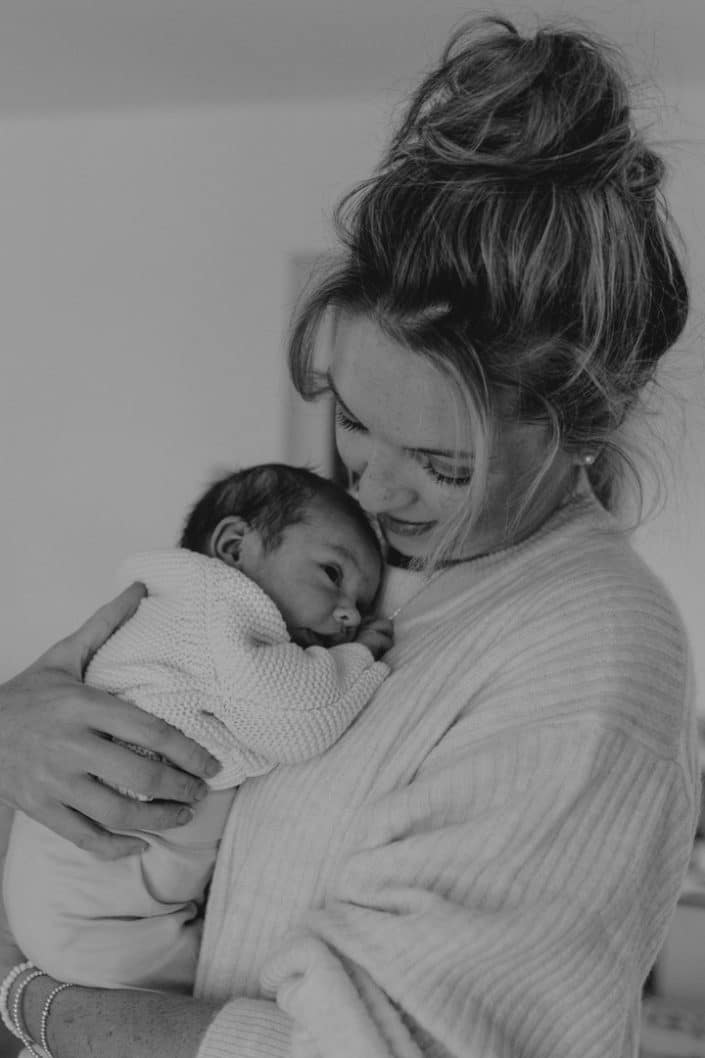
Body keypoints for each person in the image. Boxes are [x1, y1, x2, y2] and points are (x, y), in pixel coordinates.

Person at [0, 15, 700, 1058]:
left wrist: (28, 999)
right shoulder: (368, 559)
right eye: (354, 419)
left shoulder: (589, 655)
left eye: (440, 463)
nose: (371, 485)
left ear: (583, 424)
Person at [2, 463, 391, 995]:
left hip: (66, 905)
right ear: (234, 547)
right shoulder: (212, 618)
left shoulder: (179, 613)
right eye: (332, 574)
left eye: (361, 607)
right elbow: (300, 717)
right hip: (98, 925)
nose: (348, 614)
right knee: (237, 986)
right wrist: (359, 656)